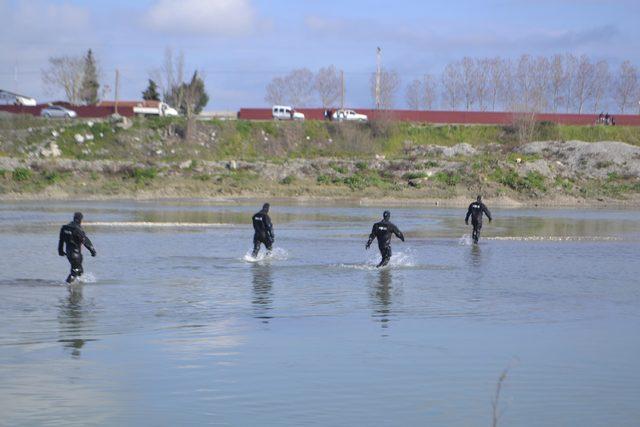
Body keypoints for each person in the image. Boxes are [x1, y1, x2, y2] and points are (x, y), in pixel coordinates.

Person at [58, 212, 96, 283]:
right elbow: (85, 240)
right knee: (75, 271)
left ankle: (77, 289)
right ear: (80, 219)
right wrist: (92, 250)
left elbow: (61, 240)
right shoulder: (77, 229)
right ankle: (68, 285)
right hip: (76, 254)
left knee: (80, 271)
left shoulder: (65, 228)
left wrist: (60, 251)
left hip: (69, 253)